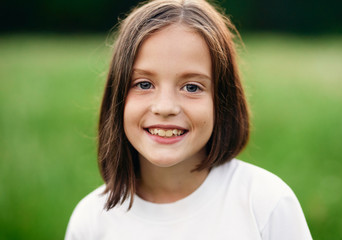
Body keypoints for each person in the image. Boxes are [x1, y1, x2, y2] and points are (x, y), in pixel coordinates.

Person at [65, 0, 312, 239]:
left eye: (192, 87)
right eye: (143, 84)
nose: (165, 107)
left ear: (222, 101)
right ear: (117, 96)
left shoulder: (265, 203)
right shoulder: (91, 220)